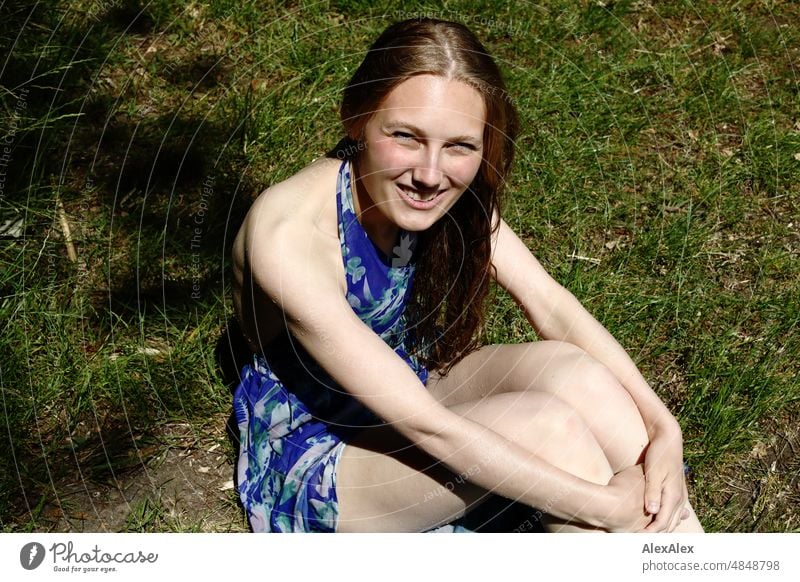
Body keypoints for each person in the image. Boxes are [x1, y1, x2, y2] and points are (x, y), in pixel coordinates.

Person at [230, 17, 704, 533]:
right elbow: (426, 425)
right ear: (356, 119)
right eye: (405, 137)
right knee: (549, 430)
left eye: (459, 146)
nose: (431, 174)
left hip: (402, 393)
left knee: (578, 375)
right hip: (322, 456)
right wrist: (603, 505)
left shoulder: (446, 195)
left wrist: (665, 427)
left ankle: (676, 545)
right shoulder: (288, 235)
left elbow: (549, 303)